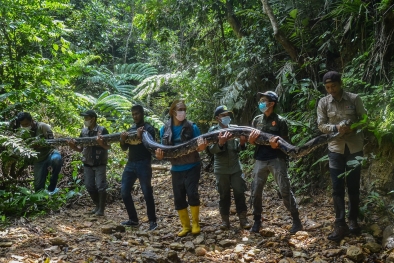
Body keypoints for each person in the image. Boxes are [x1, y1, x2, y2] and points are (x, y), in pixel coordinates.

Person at [317, 71, 367, 241]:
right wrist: (335, 128)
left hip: (354, 148)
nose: (331, 90)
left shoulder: (354, 99)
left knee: (353, 186)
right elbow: (321, 125)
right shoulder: (323, 102)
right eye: (328, 87)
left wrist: (353, 127)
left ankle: (353, 220)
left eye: (334, 86)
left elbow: (365, 119)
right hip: (335, 149)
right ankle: (340, 224)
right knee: (337, 187)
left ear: (340, 83)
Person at [248, 91, 303, 234]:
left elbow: (286, 143)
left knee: (284, 189)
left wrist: (276, 145)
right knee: (256, 190)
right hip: (260, 158)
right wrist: (251, 141)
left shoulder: (280, 121)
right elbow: (253, 142)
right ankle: (257, 220)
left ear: (272, 103)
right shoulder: (256, 120)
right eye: (260, 100)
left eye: (264, 100)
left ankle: (296, 220)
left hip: (277, 159)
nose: (261, 103)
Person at [155, 100, 207, 236]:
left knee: (192, 193)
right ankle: (185, 226)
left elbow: (200, 146)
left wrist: (202, 147)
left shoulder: (192, 127)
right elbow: (163, 150)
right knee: (178, 197)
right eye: (180, 109)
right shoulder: (164, 129)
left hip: (192, 166)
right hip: (176, 168)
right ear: (172, 111)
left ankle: (195, 223)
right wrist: (160, 156)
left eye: (184, 109)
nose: (182, 112)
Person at [207, 105, 251, 230]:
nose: (227, 117)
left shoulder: (236, 129)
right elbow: (211, 150)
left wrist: (242, 143)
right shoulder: (213, 131)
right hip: (221, 169)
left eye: (228, 115)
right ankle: (225, 221)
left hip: (235, 167)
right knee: (223, 195)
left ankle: (243, 219)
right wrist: (220, 143)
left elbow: (239, 148)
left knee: (239, 193)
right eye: (223, 115)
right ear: (218, 118)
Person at [119, 105, 158, 231]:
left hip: (144, 163)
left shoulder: (149, 129)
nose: (135, 116)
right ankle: (133, 219)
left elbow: (151, 148)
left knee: (147, 192)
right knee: (124, 191)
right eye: (133, 114)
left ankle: (152, 221)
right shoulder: (130, 130)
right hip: (131, 163)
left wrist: (141, 137)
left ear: (142, 114)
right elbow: (124, 148)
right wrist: (123, 140)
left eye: (137, 114)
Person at [68, 110, 111, 216]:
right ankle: (97, 205)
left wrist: (101, 144)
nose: (85, 120)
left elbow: (108, 146)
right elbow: (80, 148)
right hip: (87, 162)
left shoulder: (102, 130)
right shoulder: (83, 132)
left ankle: (101, 209)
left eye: (87, 118)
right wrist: (73, 146)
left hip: (100, 162)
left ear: (93, 119)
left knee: (101, 186)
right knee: (89, 186)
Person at [16, 112, 63, 194]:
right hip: (38, 160)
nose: (25, 126)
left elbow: (52, 142)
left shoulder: (42, 127)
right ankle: (41, 205)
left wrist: (40, 145)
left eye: (26, 124)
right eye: (22, 125)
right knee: (38, 188)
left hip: (50, 153)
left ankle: (52, 187)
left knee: (57, 160)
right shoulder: (21, 132)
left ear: (32, 121)